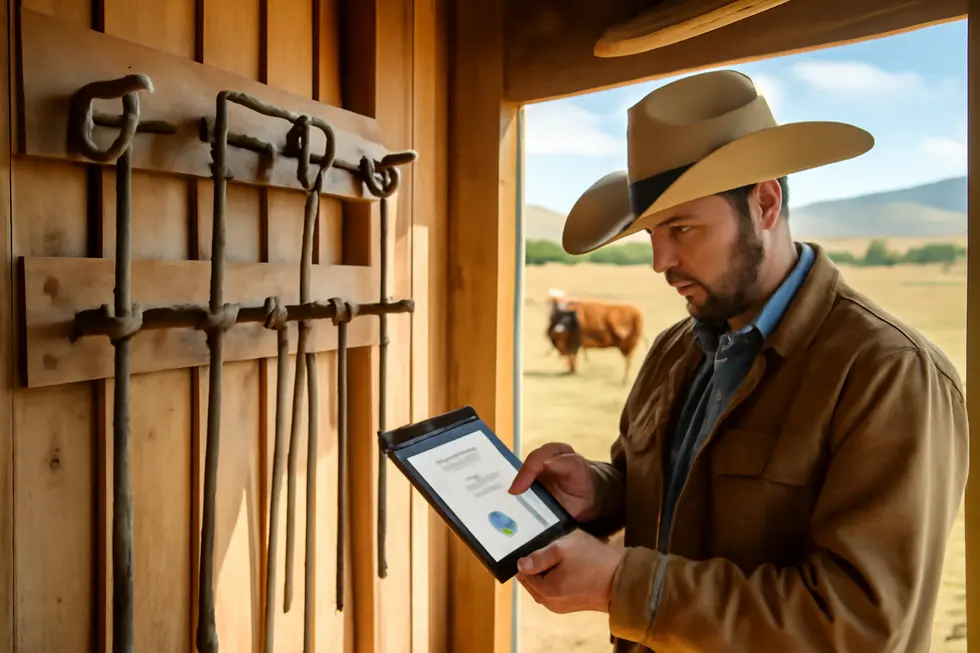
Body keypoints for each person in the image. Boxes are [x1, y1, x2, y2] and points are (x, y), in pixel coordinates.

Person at [508, 69, 969, 652]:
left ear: (766, 202)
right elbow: (672, 494)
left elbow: (862, 625)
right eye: (651, 232)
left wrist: (624, 586)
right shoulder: (675, 350)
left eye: (682, 228)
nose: (660, 261)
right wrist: (601, 493)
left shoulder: (889, 374)